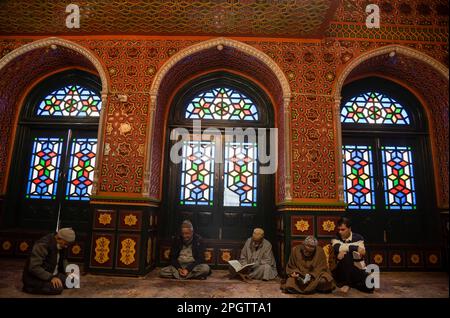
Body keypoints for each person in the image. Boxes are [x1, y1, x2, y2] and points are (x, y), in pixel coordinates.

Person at [22, 227, 76, 295]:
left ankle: (54, 282)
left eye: (68, 245)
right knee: (58, 289)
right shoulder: (43, 245)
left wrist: (68, 272)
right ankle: (31, 287)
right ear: (59, 238)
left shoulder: (62, 245)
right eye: (65, 244)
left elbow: (64, 260)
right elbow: (34, 268)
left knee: (73, 282)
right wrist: (51, 278)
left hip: (53, 273)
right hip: (37, 278)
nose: (66, 247)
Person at [331, 217, 374, 293]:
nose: (340, 232)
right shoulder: (336, 237)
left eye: (343, 229)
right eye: (339, 229)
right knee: (346, 254)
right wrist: (355, 247)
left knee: (371, 285)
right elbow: (338, 248)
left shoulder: (358, 237)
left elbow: (362, 252)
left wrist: (345, 248)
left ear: (349, 228)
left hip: (356, 269)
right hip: (341, 270)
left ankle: (353, 284)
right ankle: (347, 283)